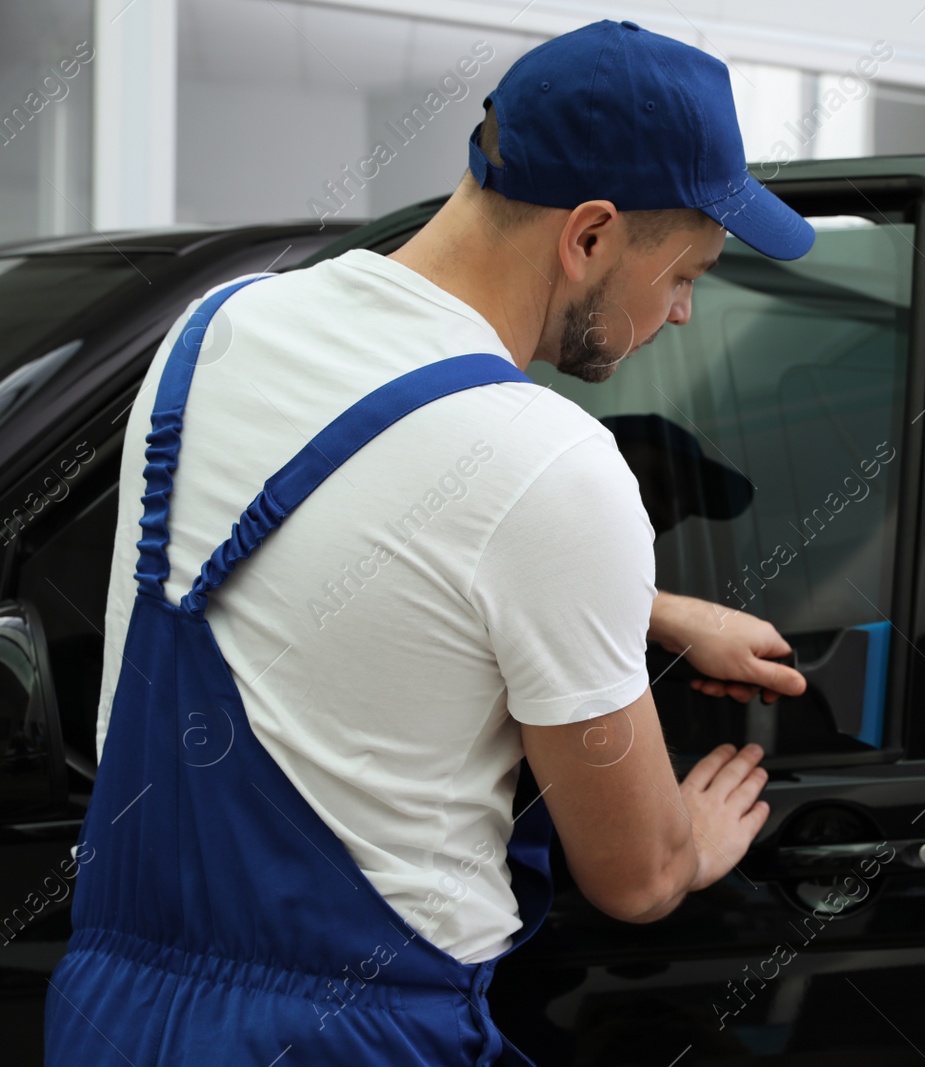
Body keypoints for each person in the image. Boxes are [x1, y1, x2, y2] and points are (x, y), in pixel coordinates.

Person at [45, 19, 812, 1066]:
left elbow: (363, 553)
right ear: (589, 236)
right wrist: (693, 843)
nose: (681, 313)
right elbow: (633, 878)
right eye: (689, 273)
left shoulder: (214, 331)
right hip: (345, 1035)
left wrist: (653, 607)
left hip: (108, 1012)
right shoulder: (552, 461)